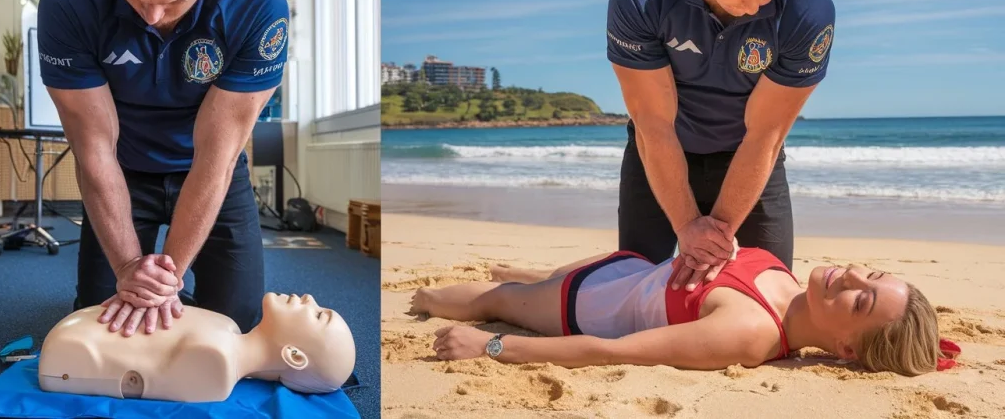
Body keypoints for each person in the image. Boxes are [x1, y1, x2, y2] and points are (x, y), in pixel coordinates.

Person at [37, 0, 288, 338]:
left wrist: (164, 280)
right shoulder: (67, 3)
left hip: (212, 167)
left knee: (236, 324)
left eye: (175, 1)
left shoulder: (259, 7)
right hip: (122, 168)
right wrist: (130, 266)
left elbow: (215, 158)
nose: (152, 15)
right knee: (99, 318)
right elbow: (94, 150)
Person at [606, 0, 836, 291]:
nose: (752, 7)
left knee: (770, 296)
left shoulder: (809, 12)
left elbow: (765, 134)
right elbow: (653, 122)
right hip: (660, 148)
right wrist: (686, 225)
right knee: (630, 288)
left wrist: (713, 236)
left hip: (748, 157)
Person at [409, 246, 962, 376]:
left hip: (583, 304)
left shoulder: (747, 335)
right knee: (535, 275)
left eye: (861, 298)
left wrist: (490, 344)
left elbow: (611, 352)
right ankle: (531, 274)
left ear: (845, 348)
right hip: (629, 268)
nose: (853, 275)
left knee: (494, 299)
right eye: (874, 274)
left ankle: (424, 296)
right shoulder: (788, 280)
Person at [38, 293, 355, 402]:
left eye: (318, 315)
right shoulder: (227, 327)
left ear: (294, 356)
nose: (310, 299)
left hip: (74, 348)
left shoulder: (215, 363)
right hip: (76, 338)